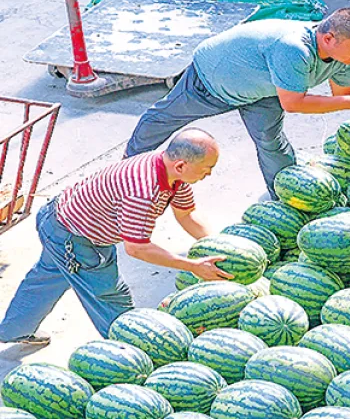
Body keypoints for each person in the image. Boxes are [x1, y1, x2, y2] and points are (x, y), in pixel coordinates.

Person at [123, 7, 350, 197]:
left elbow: (348, 98)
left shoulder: (343, 58)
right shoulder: (294, 49)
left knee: (270, 141)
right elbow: (294, 103)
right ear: (328, 38)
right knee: (165, 117)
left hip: (264, 90)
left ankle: (287, 197)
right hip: (215, 79)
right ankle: (125, 168)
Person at [0, 129, 231, 346]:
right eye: (206, 168)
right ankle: (129, 353)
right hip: (74, 237)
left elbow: (187, 214)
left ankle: (14, 330)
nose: (209, 174)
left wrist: (222, 247)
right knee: (110, 295)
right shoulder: (142, 190)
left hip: (62, 221)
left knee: (47, 278)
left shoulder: (172, 172)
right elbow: (137, 249)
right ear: (181, 164)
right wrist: (192, 266)